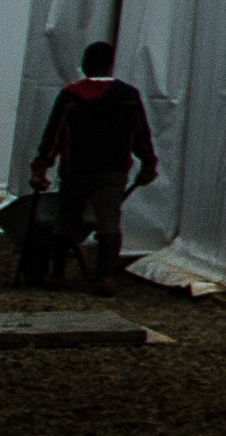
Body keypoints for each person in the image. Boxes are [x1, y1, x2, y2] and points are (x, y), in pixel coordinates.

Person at [24, 41, 161, 295]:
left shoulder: (71, 96)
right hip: (112, 171)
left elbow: (54, 133)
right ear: (111, 65)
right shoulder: (127, 96)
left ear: (85, 66)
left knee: (66, 221)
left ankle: (57, 274)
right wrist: (148, 162)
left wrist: (41, 165)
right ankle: (105, 276)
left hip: (75, 169)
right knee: (109, 221)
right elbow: (140, 133)